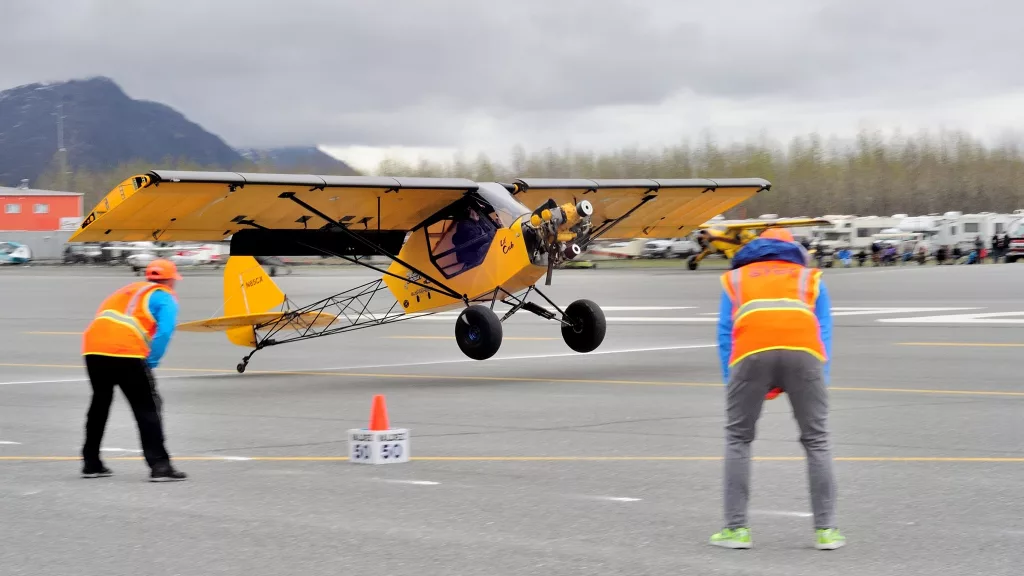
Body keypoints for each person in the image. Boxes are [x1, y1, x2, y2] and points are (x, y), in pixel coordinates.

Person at [709, 227, 844, 550]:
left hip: (751, 353)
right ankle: (826, 531)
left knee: (739, 438)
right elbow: (823, 330)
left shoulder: (736, 279)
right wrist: (817, 377)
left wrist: (737, 381)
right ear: (792, 249)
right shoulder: (810, 278)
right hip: (805, 354)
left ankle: (736, 530)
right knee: (817, 440)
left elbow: (726, 335)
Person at [80, 259, 187, 482]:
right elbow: (165, 332)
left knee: (100, 404)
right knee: (147, 407)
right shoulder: (164, 296)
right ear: (170, 280)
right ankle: (160, 467)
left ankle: (91, 463)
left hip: (93, 349)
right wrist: (152, 361)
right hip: (127, 352)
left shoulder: (126, 291)